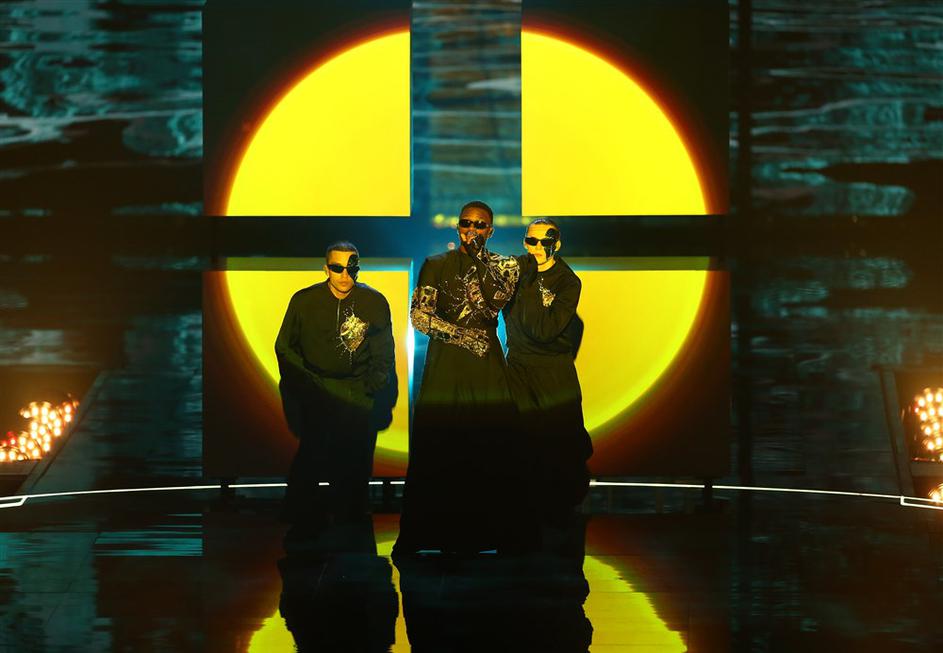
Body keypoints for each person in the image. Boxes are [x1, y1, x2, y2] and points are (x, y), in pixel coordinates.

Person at [394, 200, 530, 555]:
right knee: (441, 443)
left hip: (486, 366)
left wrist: (480, 260)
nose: (472, 229)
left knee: (491, 443)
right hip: (447, 363)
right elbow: (420, 317)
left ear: (490, 230)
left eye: (479, 225)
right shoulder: (435, 264)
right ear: (458, 227)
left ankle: (493, 534)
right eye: (466, 223)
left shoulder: (505, 266)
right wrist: (464, 337)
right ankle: (437, 534)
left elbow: (495, 303)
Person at [275, 241, 396, 533]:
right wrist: (308, 386)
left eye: (350, 267)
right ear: (326, 268)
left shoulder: (374, 301)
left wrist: (368, 387)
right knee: (312, 456)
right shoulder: (304, 300)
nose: (344, 274)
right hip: (316, 390)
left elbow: (384, 353)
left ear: (358, 268)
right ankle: (303, 517)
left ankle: (351, 518)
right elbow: (285, 347)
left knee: (356, 460)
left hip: (357, 392)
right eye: (337, 267)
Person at [503, 218, 592, 525]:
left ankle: (562, 516)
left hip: (554, 372)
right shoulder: (513, 272)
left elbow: (544, 330)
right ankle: (525, 514)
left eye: (546, 242)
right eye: (532, 241)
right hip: (518, 369)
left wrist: (525, 280)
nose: (538, 247)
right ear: (524, 242)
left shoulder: (567, 282)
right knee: (521, 446)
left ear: (558, 244)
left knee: (562, 445)